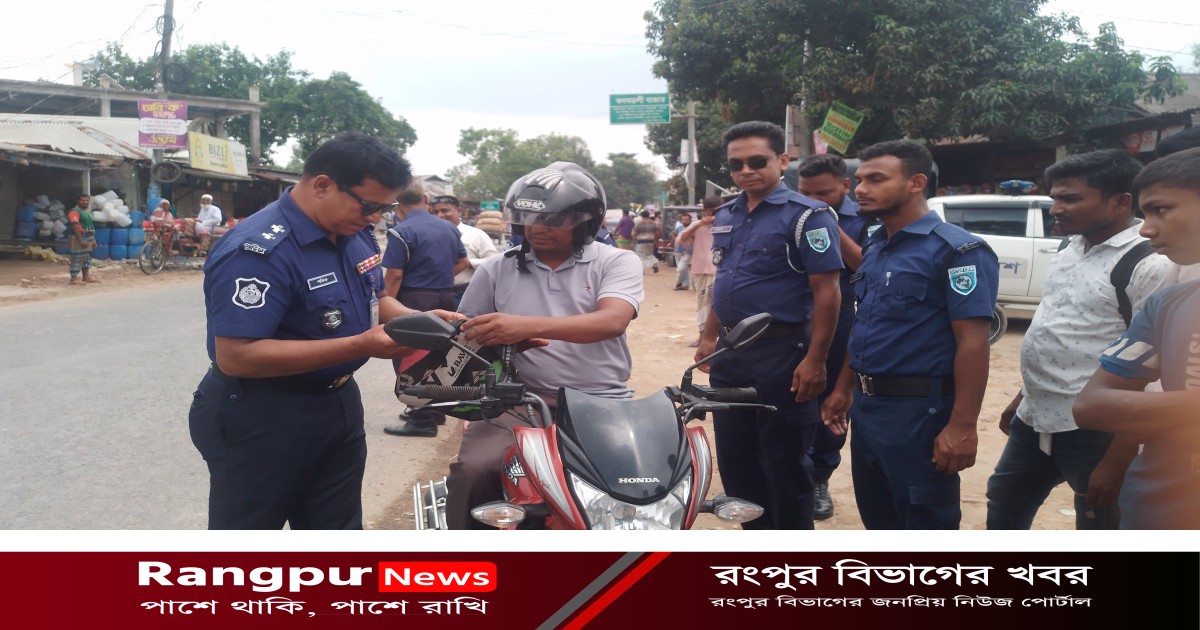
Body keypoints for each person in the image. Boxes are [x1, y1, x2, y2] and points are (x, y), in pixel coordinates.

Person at [189, 133, 423, 530]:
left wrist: (422, 321)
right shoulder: (258, 250)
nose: (375, 219)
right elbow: (237, 356)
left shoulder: (353, 232)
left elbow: (376, 299)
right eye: (369, 206)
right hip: (263, 413)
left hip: (337, 404)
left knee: (336, 534)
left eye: (385, 209)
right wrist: (360, 344)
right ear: (323, 185)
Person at [445, 161, 643, 529]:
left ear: (586, 221)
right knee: (475, 471)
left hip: (602, 400)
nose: (538, 228)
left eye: (554, 220)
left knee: (633, 485)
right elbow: (466, 338)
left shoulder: (617, 261)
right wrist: (492, 341)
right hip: (517, 400)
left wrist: (520, 326)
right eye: (530, 219)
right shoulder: (496, 269)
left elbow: (612, 320)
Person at [986, 150, 1178, 530]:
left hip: (1096, 429)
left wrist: (1117, 459)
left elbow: (1153, 370)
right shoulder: (1068, 248)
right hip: (1036, 415)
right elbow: (1055, 326)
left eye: (1070, 199)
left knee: (1098, 519)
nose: (1055, 209)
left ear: (1120, 202)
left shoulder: (1149, 263)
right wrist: (1024, 395)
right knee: (1004, 504)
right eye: (1055, 198)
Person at [820, 140, 998, 530]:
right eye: (859, 179)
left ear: (916, 182)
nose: (861, 189)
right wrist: (843, 388)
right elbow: (866, 323)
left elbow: (972, 342)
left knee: (923, 521)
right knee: (879, 517)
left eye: (876, 179)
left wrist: (962, 425)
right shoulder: (876, 245)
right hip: (868, 410)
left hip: (919, 412)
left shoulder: (958, 250)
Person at [694, 121, 844, 530]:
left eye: (757, 161)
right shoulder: (726, 215)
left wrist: (816, 360)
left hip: (782, 355)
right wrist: (709, 336)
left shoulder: (808, 216)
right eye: (736, 165)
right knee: (737, 463)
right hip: (731, 355)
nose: (746, 171)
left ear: (782, 160)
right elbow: (724, 280)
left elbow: (827, 290)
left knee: (785, 464)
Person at [1074, 147, 1200, 529]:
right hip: (1154, 509)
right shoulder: (1168, 304)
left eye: (1161, 209)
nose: (1145, 229)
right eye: (1144, 214)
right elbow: (1091, 406)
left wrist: (1157, 414)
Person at [796, 153, 877, 520]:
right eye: (806, 193)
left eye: (823, 194)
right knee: (788, 398)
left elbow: (866, 266)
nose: (813, 201)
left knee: (831, 400)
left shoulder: (866, 219)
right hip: (794, 318)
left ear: (845, 186)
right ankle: (787, 473)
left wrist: (828, 223)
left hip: (841, 317)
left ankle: (819, 478)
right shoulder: (790, 214)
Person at [382, 183, 470, 438]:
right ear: (425, 199)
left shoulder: (401, 231)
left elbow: (394, 275)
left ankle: (421, 419)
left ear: (397, 203)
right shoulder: (448, 228)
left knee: (409, 358)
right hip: (445, 296)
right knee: (437, 356)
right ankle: (435, 410)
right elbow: (462, 262)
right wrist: (439, 277)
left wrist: (386, 309)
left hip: (414, 298)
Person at [431, 194, 500, 303]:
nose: (440, 215)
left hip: (466, 293)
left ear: (459, 211)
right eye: (435, 212)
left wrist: (468, 263)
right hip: (434, 294)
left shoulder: (476, 235)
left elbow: (495, 263)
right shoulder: (428, 235)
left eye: (445, 211)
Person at [677, 195, 722, 347]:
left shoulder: (730, 224)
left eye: (717, 210)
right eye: (711, 211)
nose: (714, 214)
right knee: (703, 305)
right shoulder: (698, 225)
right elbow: (682, 238)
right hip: (701, 269)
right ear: (705, 211)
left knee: (719, 305)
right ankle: (703, 336)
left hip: (721, 270)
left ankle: (718, 338)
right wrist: (699, 224)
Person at [66, 193, 99, 285]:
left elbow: (90, 226)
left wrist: (93, 240)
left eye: (87, 200)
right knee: (77, 257)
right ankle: (74, 278)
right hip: (78, 236)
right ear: (77, 201)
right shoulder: (74, 211)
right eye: (83, 200)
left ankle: (86, 277)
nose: (85, 202)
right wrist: (81, 239)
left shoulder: (87, 211)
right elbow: (75, 225)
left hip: (89, 235)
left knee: (87, 257)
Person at [672, 211, 693, 289]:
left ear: (690, 220)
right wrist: (676, 239)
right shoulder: (679, 228)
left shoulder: (693, 228)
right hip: (677, 251)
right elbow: (673, 233)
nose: (685, 221)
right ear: (681, 220)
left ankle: (679, 282)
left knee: (681, 269)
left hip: (688, 252)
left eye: (687, 220)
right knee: (683, 269)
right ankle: (685, 284)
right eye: (683, 220)